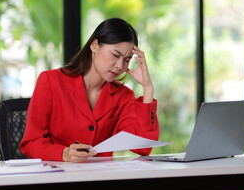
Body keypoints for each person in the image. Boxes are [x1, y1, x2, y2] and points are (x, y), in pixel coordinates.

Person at [20, 18, 159, 162]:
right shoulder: (50, 81)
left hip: (100, 178)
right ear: (94, 46)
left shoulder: (123, 95)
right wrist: (64, 153)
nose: (119, 66)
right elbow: (31, 143)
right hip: (57, 177)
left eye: (126, 60)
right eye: (115, 55)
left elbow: (143, 148)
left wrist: (147, 89)